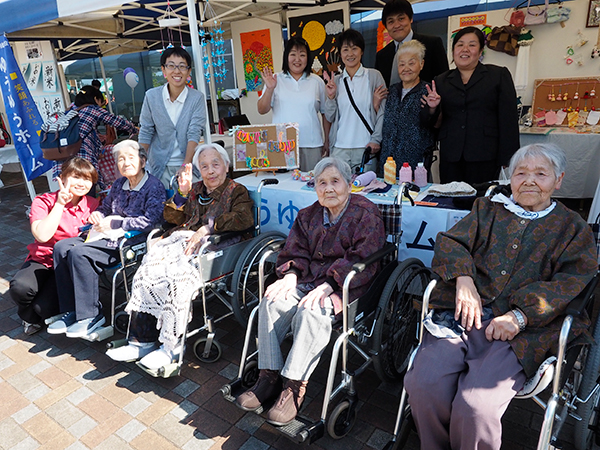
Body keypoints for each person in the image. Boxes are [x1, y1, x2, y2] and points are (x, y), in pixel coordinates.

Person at [403, 143, 598, 450]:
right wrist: (464, 280)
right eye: (521, 173)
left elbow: (573, 281)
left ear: (558, 180)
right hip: (464, 317)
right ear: (511, 177)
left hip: (523, 333)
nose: (529, 180)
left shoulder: (573, 228)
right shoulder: (488, 209)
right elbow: (450, 242)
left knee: (475, 406)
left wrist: (521, 315)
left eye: (540, 174)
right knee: (423, 385)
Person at [235, 157, 386, 426]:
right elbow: (294, 251)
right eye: (321, 183)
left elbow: (365, 256)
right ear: (314, 187)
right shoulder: (308, 215)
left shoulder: (367, 214)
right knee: (272, 299)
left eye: (335, 181)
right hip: (308, 280)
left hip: (347, 285)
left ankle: (293, 388)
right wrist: (291, 276)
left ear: (349, 184)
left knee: (311, 311)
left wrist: (330, 285)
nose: (328, 188)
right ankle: (268, 376)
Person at [105, 143, 254, 369]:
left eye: (215, 164)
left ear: (226, 165)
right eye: (204, 166)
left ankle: (172, 347)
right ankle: (141, 341)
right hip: (182, 244)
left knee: (176, 280)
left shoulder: (237, 190)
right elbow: (171, 218)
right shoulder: (194, 189)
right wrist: (181, 194)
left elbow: (244, 219)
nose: (210, 171)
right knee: (147, 271)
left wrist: (209, 228)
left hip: (215, 247)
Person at [49, 140, 166, 338]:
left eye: (131, 158)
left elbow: (151, 221)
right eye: (121, 159)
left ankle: (91, 315)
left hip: (131, 241)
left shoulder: (154, 186)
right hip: (105, 235)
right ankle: (71, 310)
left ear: (143, 161)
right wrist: (98, 216)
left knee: (80, 253)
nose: (126, 162)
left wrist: (115, 224)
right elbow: (104, 208)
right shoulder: (119, 184)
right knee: (61, 247)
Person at [9, 158, 99, 335]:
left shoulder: (93, 204)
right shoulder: (43, 201)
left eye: (87, 179)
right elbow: (42, 236)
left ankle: (39, 309)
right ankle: (28, 317)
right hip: (43, 260)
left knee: (44, 309)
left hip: (67, 266)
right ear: (62, 178)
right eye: (76, 177)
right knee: (20, 287)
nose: (82, 183)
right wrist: (59, 204)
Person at [428, 26, 520, 184]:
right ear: (453, 50)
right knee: (451, 201)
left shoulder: (498, 75)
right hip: (451, 155)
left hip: (485, 153)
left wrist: (509, 157)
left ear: (481, 50)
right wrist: (433, 107)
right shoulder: (441, 80)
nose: (465, 49)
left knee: (482, 201)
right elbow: (433, 122)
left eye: (472, 45)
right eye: (460, 45)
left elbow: (508, 118)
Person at [257, 37, 329, 172]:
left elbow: (325, 113)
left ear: (308, 58)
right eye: (293, 54)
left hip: (312, 145)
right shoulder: (275, 79)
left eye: (302, 55)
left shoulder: (316, 81)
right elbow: (261, 109)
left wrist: (327, 141)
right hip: (282, 145)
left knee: (312, 186)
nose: (297, 59)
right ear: (286, 57)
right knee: (284, 187)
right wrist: (270, 88)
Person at [138, 47, 206, 187]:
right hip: (158, 167)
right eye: (171, 66)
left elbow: (194, 132)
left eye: (182, 66)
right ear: (163, 70)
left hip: (188, 165)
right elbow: (146, 131)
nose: (176, 71)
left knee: (188, 205)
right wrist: (138, 161)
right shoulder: (151, 96)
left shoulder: (197, 98)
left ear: (189, 71)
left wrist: (186, 165)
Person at [52, 85, 137, 191]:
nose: (100, 106)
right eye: (101, 102)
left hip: (62, 162)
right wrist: (135, 129)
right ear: (96, 99)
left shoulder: (69, 111)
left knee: (70, 195)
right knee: (86, 195)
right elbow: (116, 121)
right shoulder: (91, 109)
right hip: (81, 161)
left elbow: (87, 133)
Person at [324, 29, 386, 172]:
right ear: (340, 54)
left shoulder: (374, 76)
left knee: (365, 190)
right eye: (345, 49)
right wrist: (331, 97)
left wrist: (376, 140)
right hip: (339, 149)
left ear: (362, 51)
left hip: (365, 148)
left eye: (354, 49)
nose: (350, 54)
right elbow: (329, 116)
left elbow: (383, 112)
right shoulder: (336, 81)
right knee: (339, 190)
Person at [378, 40, 437, 175]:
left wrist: (433, 108)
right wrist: (377, 104)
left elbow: (433, 123)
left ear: (421, 64)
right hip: (388, 162)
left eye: (411, 63)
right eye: (402, 64)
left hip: (416, 163)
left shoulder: (428, 91)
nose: (406, 68)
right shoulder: (391, 91)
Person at [375, 0, 448, 87]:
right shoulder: (381, 56)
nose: (397, 25)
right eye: (391, 21)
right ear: (386, 26)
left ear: (411, 19)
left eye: (401, 19)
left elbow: (444, 80)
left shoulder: (432, 44)